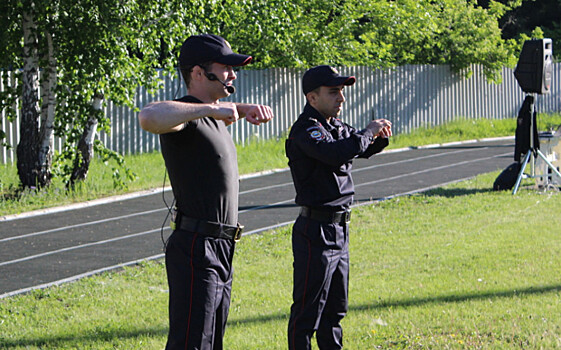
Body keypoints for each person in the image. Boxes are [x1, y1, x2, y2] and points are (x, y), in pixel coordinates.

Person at [138, 34, 273, 350]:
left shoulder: (209, 113)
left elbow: (214, 110)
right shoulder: (186, 113)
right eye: (225, 68)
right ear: (199, 73)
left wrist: (240, 106)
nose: (233, 75)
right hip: (197, 248)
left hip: (222, 247)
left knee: (211, 342)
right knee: (191, 343)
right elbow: (148, 117)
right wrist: (208, 110)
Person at [285, 65, 392, 350]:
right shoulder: (307, 130)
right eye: (333, 92)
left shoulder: (333, 125)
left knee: (335, 309)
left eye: (342, 92)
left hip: (339, 229)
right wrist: (368, 131)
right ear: (312, 98)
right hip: (316, 231)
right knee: (308, 312)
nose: (341, 98)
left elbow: (360, 147)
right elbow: (335, 154)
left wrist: (378, 137)